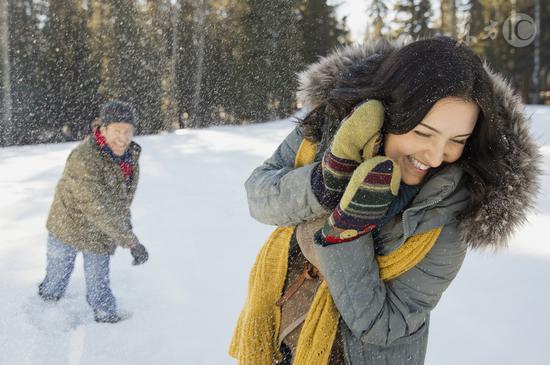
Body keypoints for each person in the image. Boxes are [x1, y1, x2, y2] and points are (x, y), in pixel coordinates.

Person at [229, 37, 541, 364]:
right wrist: (321, 186)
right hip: (279, 338)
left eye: (457, 140)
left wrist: (347, 232)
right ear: (391, 112)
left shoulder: (451, 213)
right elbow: (259, 194)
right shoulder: (331, 126)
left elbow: (386, 326)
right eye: (423, 133)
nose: (435, 156)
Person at [38, 100, 149, 323]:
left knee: (98, 281)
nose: (123, 137)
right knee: (56, 280)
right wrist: (131, 242)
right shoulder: (84, 157)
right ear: (103, 128)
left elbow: (120, 203)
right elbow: (96, 206)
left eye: (128, 131)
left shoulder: (129, 159)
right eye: (117, 130)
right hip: (67, 225)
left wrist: (126, 230)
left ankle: (106, 315)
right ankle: (45, 304)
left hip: (99, 232)